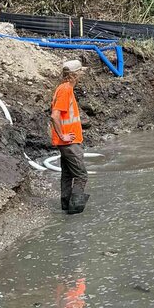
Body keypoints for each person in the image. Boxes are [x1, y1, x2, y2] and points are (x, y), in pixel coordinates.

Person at [51, 60, 88, 214]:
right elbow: (55, 116)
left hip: (67, 141)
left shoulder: (64, 88)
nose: (82, 74)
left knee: (67, 174)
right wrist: (63, 135)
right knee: (81, 175)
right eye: (80, 71)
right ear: (74, 75)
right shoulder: (65, 90)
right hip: (69, 142)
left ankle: (66, 205)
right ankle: (75, 210)